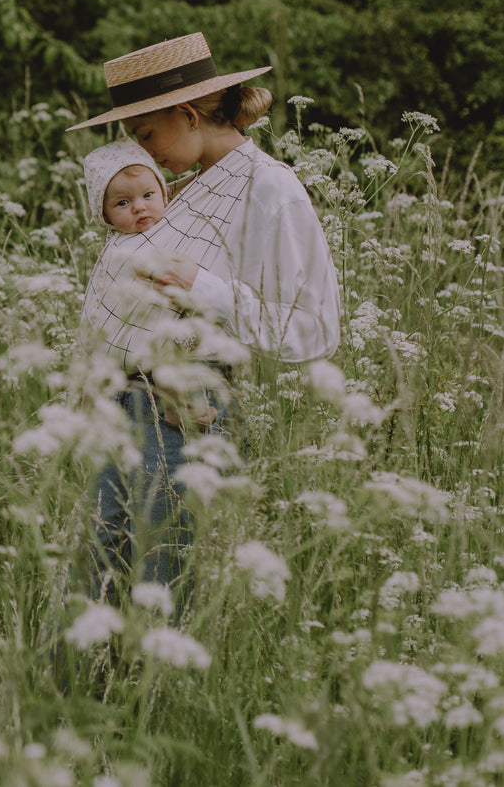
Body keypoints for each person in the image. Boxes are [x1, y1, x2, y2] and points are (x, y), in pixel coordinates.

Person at [68, 31, 340, 610]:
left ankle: (155, 700)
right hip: (125, 402)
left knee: (158, 585)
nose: (141, 152)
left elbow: (312, 328)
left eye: (145, 134)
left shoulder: (271, 187)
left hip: (181, 419)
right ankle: (77, 701)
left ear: (189, 114)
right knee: (98, 581)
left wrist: (199, 285)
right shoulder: (180, 190)